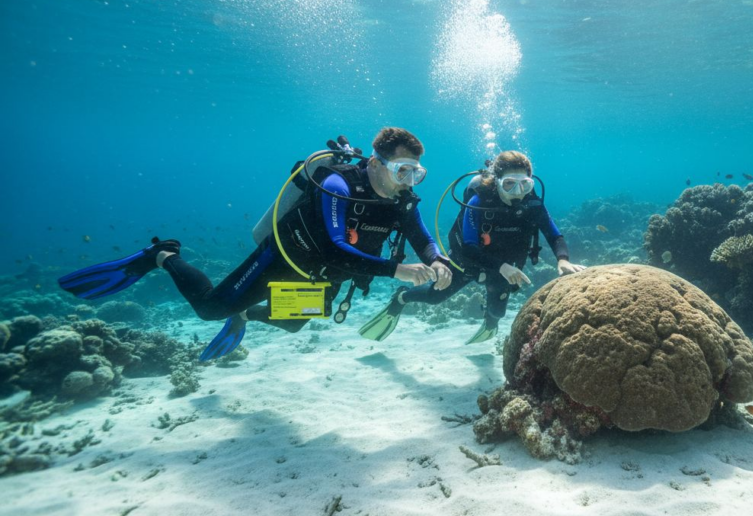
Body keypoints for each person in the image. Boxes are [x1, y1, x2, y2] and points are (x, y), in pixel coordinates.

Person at [58, 128, 453, 360]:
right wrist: (397, 270)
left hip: (325, 277)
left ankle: (244, 315)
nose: (409, 181)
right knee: (211, 308)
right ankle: (161, 256)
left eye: (417, 173)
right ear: (374, 163)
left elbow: (421, 237)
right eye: (403, 171)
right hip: (284, 257)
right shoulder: (338, 184)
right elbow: (334, 246)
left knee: (295, 324)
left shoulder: (401, 200)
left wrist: (437, 261)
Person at [358, 150, 584, 345]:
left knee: (497, 313)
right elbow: (468, 247)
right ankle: (401, 298)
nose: (518, 192)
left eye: (524, 184)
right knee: (433, 297)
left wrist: (562, 259)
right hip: (468, 262)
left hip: (503, 269)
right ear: (496, 181)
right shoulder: (479, 202)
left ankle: (489, 322)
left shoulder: (533, 204)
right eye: (509, 184)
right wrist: (503, 267)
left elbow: (554, 235)